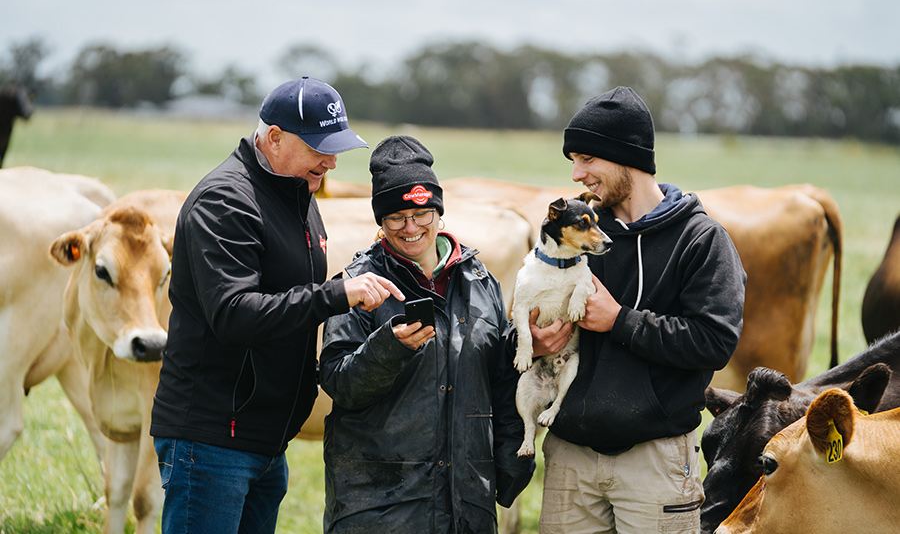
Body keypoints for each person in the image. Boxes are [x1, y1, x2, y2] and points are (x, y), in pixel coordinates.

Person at [150, 77, 404, 534]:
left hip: (265, 439)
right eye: (319, 148)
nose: (330, 161)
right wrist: (337, 293)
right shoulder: (225, 200)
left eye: (337, 148)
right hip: (213, 440)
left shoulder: (297, 193)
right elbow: (233, 312)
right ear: (273, 138)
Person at [531, 86, 746, 534]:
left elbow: (714, 343)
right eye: (573, 160)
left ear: (625, 156)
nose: (576, 175)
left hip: (657, 461)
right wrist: (536, 340)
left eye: (587, 159)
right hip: (571, 458)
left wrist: (620, 320)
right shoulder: (576, 234)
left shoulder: (701, 240)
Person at [319, 135, 534, 534]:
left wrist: (508, 467)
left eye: (422, 212)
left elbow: (503, 381)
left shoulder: (480, 281)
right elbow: (339, 383)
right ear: (380, 224)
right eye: (397, 216)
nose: (411, 226)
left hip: (465, 508)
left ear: (439, 212)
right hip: (379, 510)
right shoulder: (355, 284)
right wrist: (389, 348)